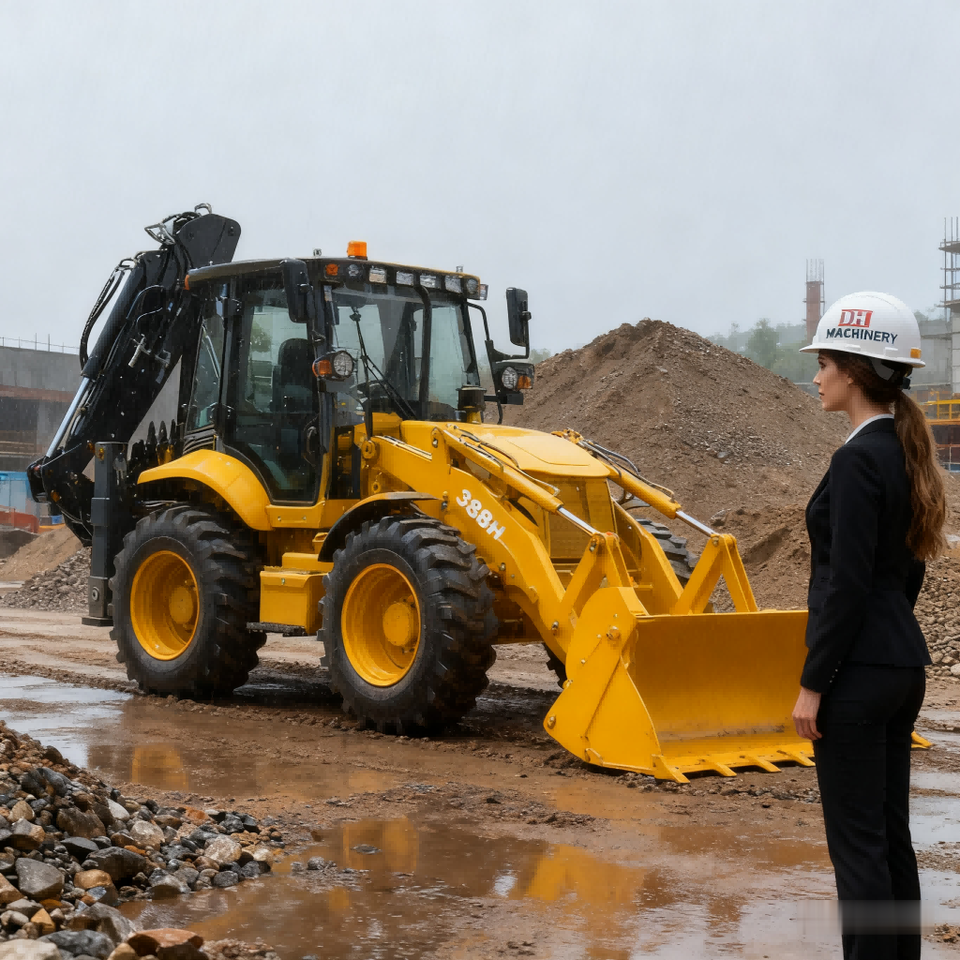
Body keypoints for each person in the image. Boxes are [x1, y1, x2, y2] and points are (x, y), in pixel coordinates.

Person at [792, 291, 946, 959]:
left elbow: (846, 585)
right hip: (901, 666)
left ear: (853, 372)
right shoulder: (902, 452)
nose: (817, 377)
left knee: (857, 849)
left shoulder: (856, 459)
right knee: (888, 839)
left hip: (855, 677)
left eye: (824, 364)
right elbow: (906, 572)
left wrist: (813, 684)